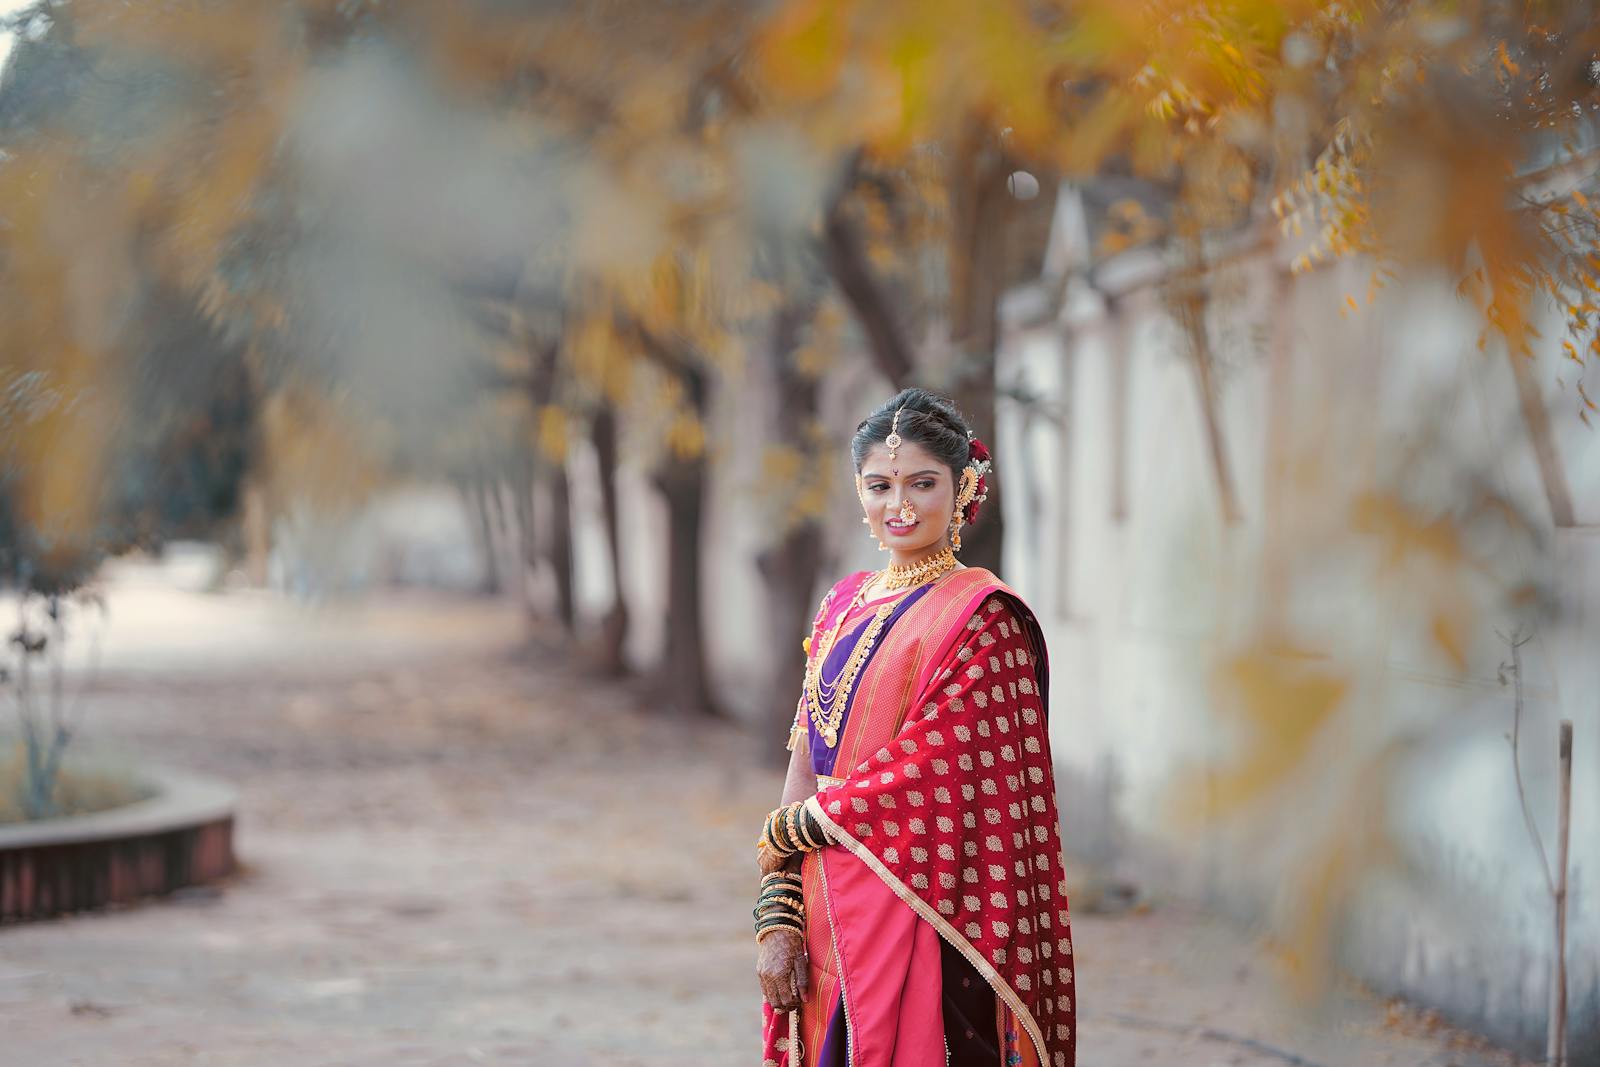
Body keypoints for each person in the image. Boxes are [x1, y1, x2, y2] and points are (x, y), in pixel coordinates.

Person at [754, 388, 1075, 1067]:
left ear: (963, 487)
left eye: (922, 482)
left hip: (928, 905)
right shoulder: (843, 601)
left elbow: (932, 770)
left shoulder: (984, 618)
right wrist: (777, 905)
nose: (898, 505)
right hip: (825, 900)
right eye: (880, 484)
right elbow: (806, 752)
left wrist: (792, 827)